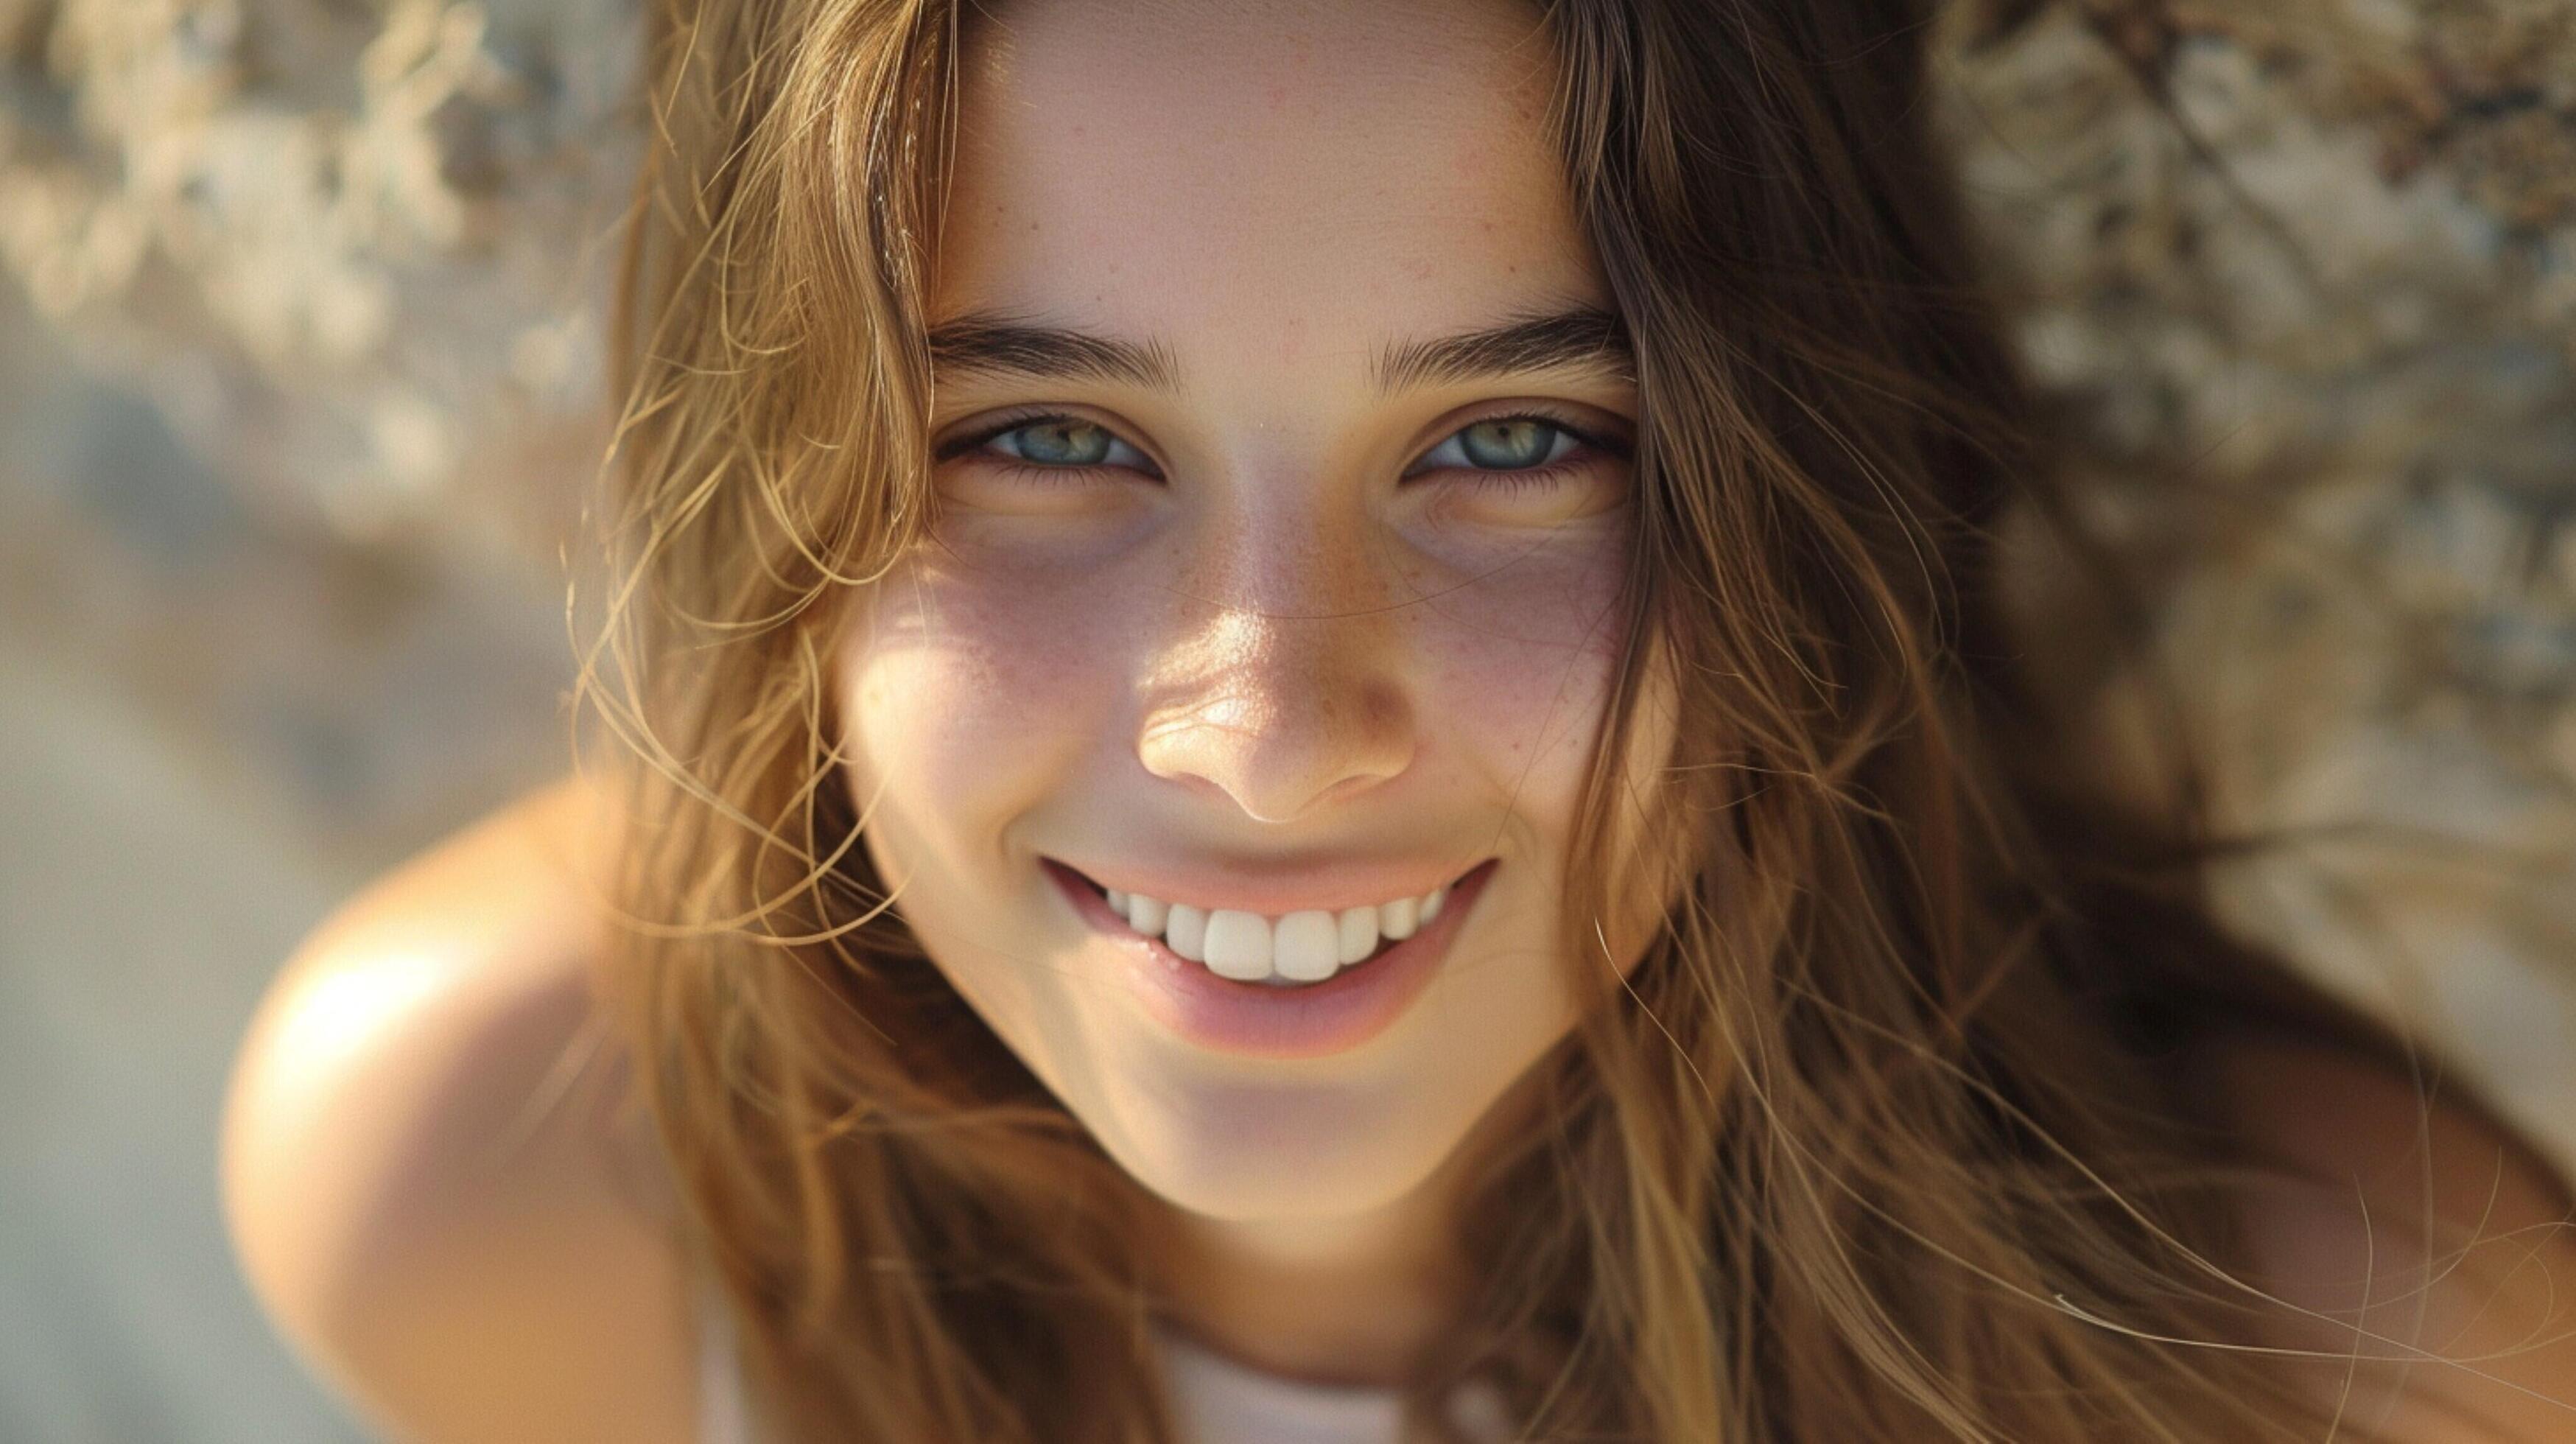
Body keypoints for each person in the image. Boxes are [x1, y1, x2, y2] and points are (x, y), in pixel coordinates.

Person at [219, 0, 2576, 1439]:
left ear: (1813, 495)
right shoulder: (504, 1190)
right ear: (769, 490)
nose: (1262, 733)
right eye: (1040, 440)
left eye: (1515, 441)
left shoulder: (2319, 1363)